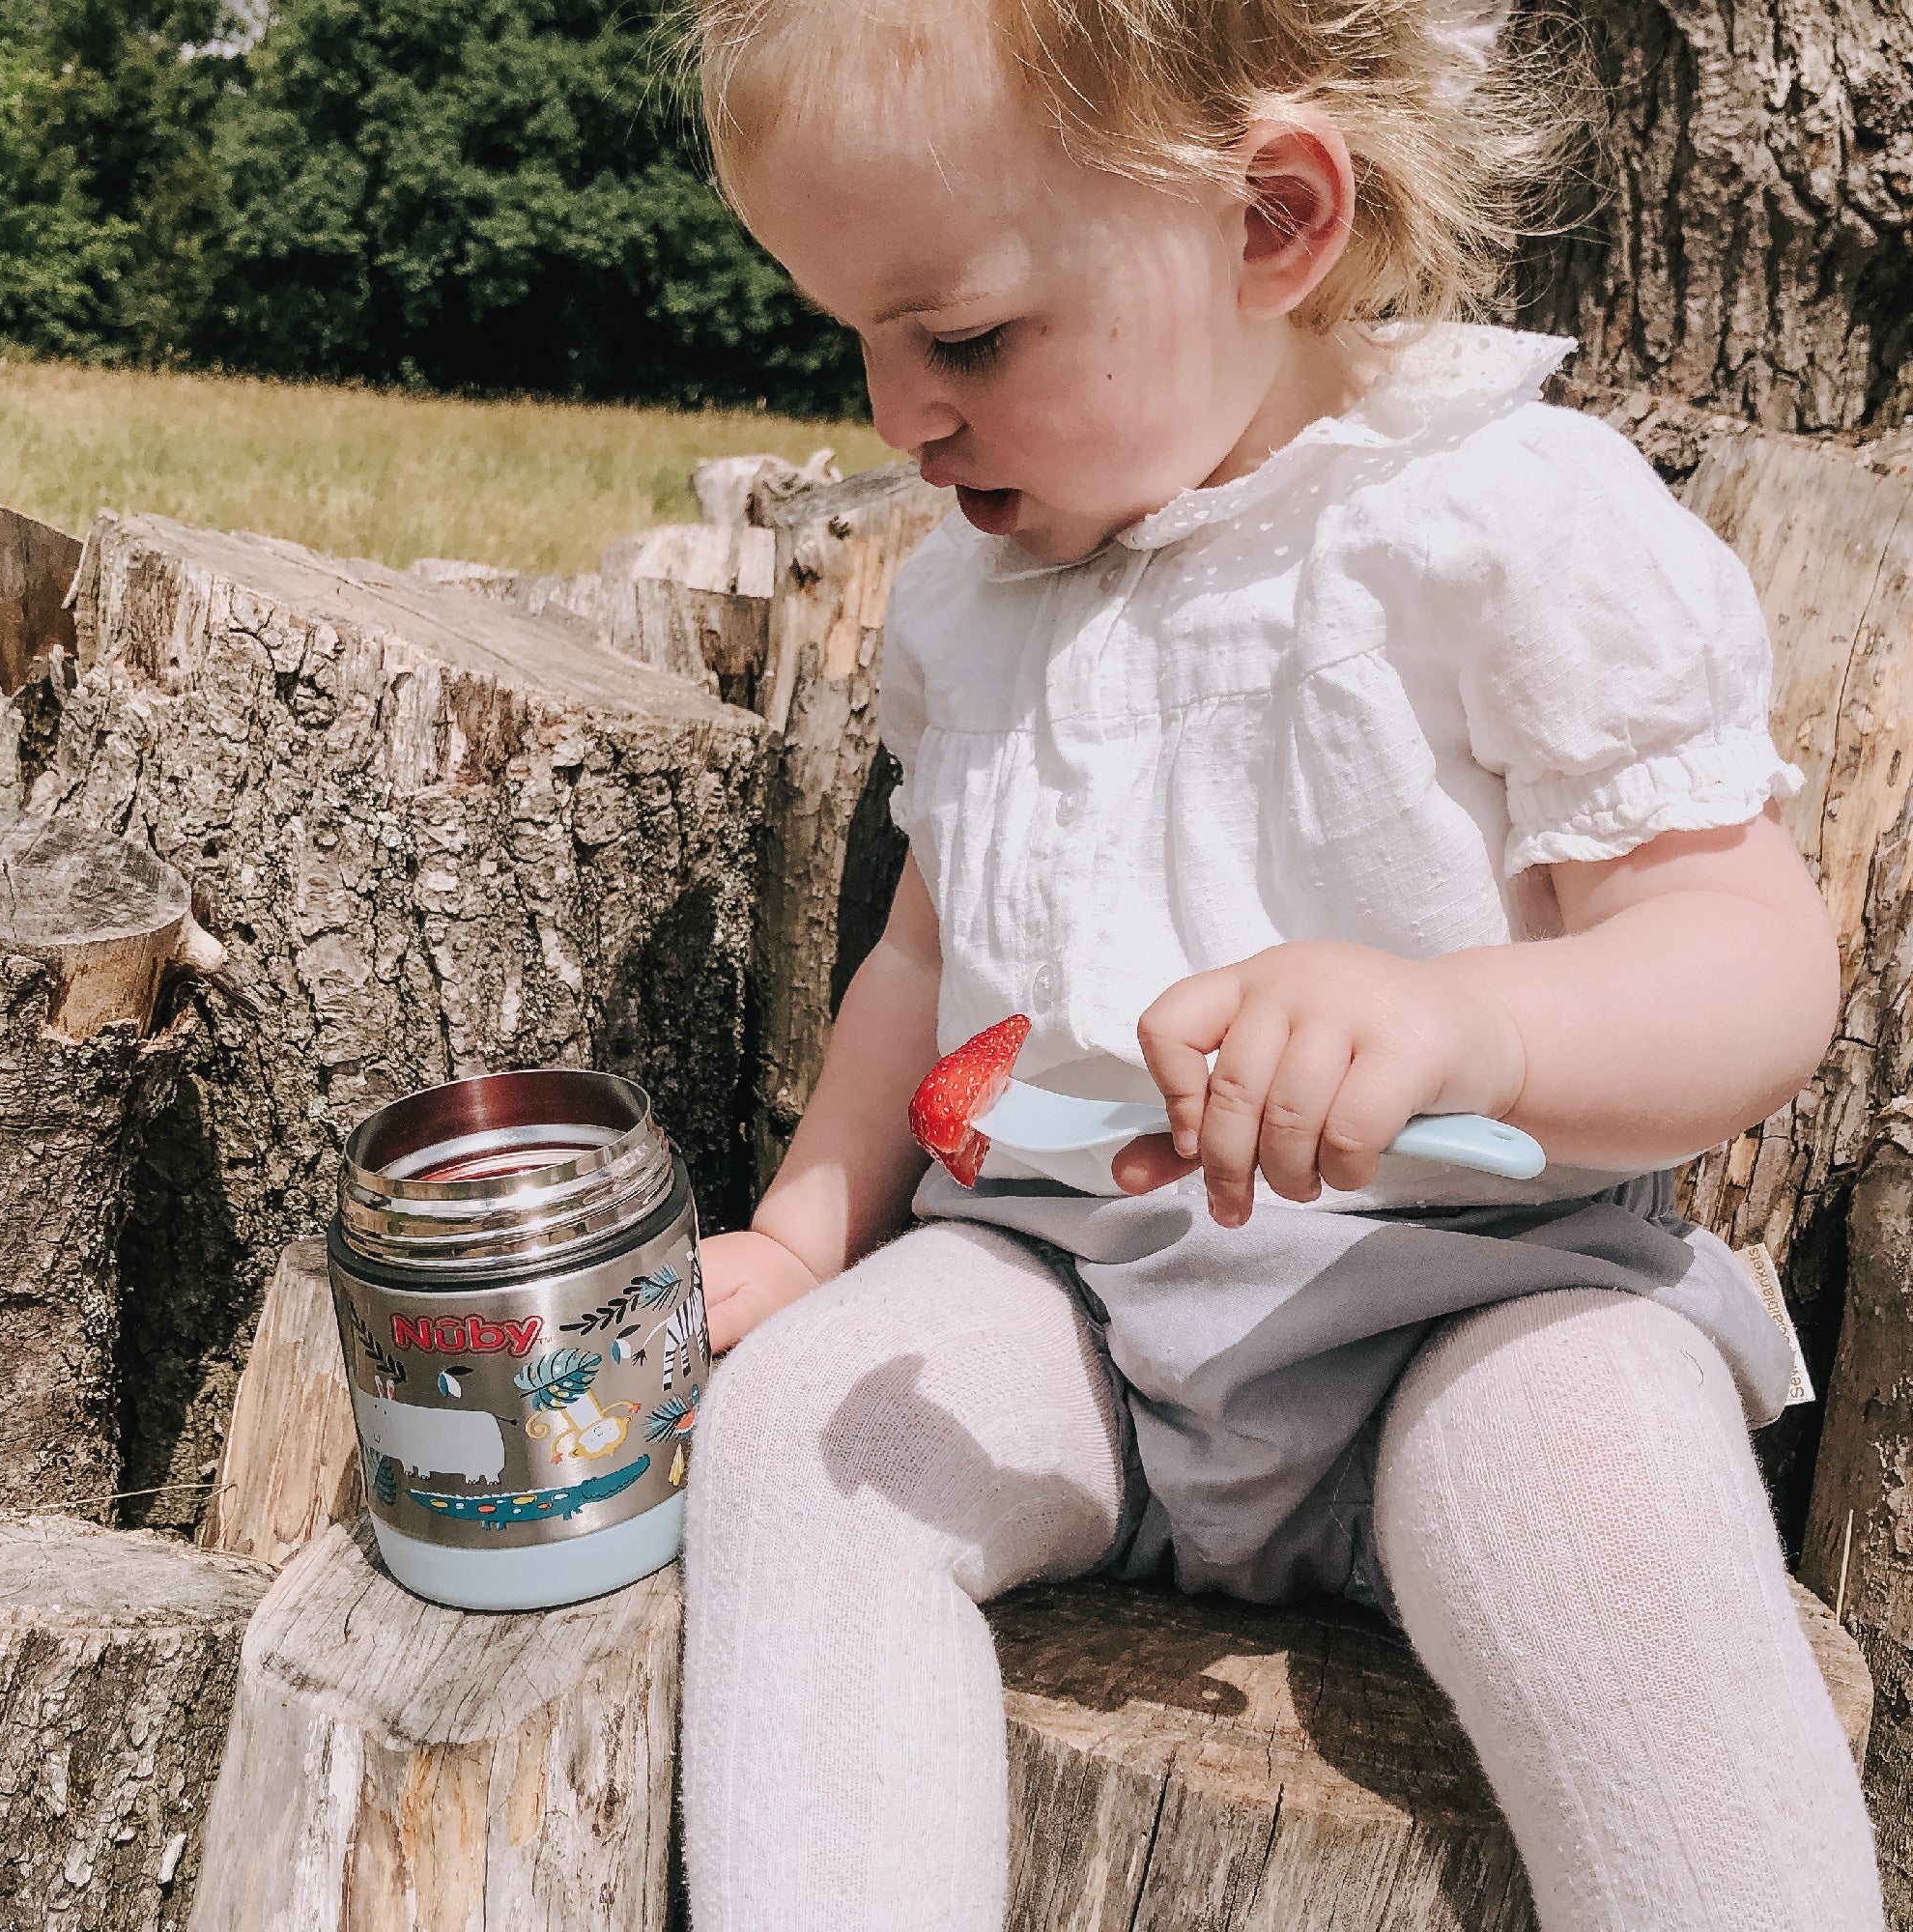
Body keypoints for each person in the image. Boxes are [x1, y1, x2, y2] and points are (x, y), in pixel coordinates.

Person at [676, 0, 1885, 1925]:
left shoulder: (1491, 525)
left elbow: (1747, 967)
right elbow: (921, 958)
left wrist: (1469, 1018)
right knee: (798, 1443)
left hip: (1474, 1299)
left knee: (1612, 1513)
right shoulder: (967, 603)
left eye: (965, 334)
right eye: (860, 333)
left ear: (1269, 225)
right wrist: (813, 1235)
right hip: (1064, 1294)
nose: (898, 412)